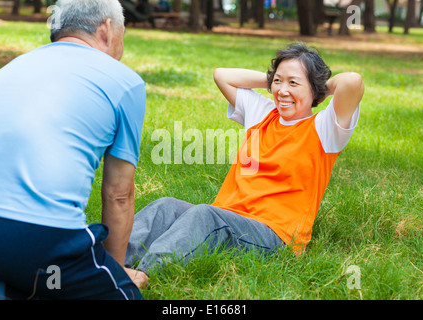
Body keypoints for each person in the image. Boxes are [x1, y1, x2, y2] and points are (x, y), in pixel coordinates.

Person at [125, 43, 364, 284]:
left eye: (294, 83)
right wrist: (274, 80)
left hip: (274, 234)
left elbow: (352, 82)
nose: (282, 91)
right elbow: (222, 76)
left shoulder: (325, 129)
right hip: (228, 216)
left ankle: (144, 274)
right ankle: (107, 260)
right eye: (278, 81)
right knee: (165, 207)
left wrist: (318, 87)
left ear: (315, 89)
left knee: (204, 216)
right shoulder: (263, 114)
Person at [0, 0, 146, 299]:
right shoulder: (125, 82)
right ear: (107, 29)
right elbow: (119, 194)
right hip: (38, 238)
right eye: (124, 31)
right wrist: (115, 271)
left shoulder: (8, 70)